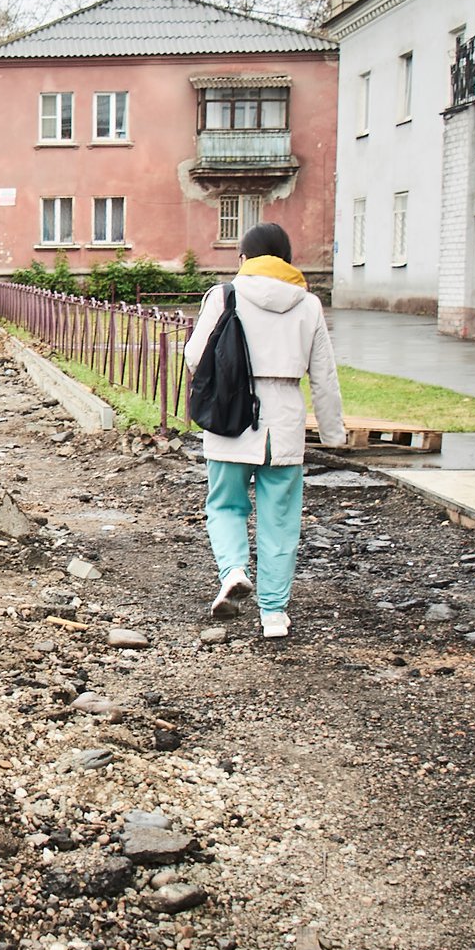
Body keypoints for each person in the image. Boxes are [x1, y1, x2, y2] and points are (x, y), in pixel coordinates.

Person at [184, 223, 346, 639]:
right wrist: (333, 434)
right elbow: (324, 374)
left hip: (231, 418)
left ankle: (234, 570)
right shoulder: (308, 304)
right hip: (285, 424)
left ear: (244, 259)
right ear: (287, 260)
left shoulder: (224, 295)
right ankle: (274, 614)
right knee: (280, 521)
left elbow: (193, 355)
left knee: (225, 505)